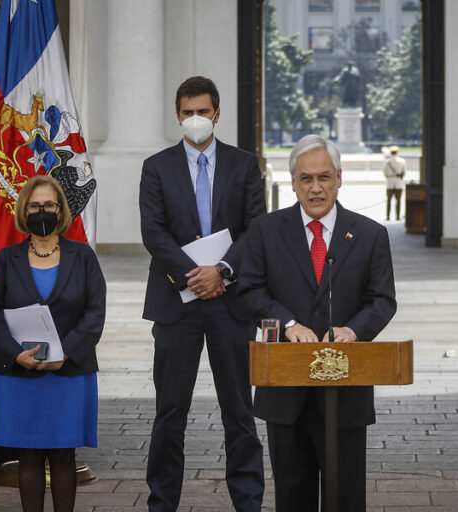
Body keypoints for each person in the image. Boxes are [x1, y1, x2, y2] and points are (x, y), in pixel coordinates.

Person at [238, 134, 397, 512]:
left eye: (324, 177)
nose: (315, 188)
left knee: (345, 497)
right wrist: (287, 323)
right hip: (286, 390)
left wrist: (354, 330)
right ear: (292, 182)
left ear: (339, 179)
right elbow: (248, 291)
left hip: (345, 389)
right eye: (306, 179)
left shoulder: (370, 234)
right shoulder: (264, 230)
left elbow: (382, 300)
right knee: (293, 496)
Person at [139, 75, 266, 512]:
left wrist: (223, 272)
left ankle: (248, 501)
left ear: (217, 113)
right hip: (176, 306)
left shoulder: (244, 164)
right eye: (187, 112)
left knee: (240, 413)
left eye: (203, 111)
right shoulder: (156, 167)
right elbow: (153, 233)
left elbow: (256, 230)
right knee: (170, 414)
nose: (196, 119)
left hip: (231, 306)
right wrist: (195, 275)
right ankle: (162, 503)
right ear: (178, 115)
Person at [0, 174, 106, 512]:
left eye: (49, 205)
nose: (42, 211)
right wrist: (14, 355)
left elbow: (95, 312)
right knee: (29, 456)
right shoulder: (7, 259)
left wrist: (67, 351)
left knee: (64, 455)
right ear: (24, 210)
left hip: (70, 373)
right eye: (35, 205)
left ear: (61, 209)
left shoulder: (82, 257)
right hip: (20, 374)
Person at [382, 145, 406, 220]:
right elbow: (404, 172)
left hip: (389, 182)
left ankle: (388, 216)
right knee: (398, 200)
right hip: (398, 182)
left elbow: (384, 173)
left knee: (389, 200)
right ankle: (398, 216)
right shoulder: (402, 161)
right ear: (397, 152)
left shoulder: (387, 162)